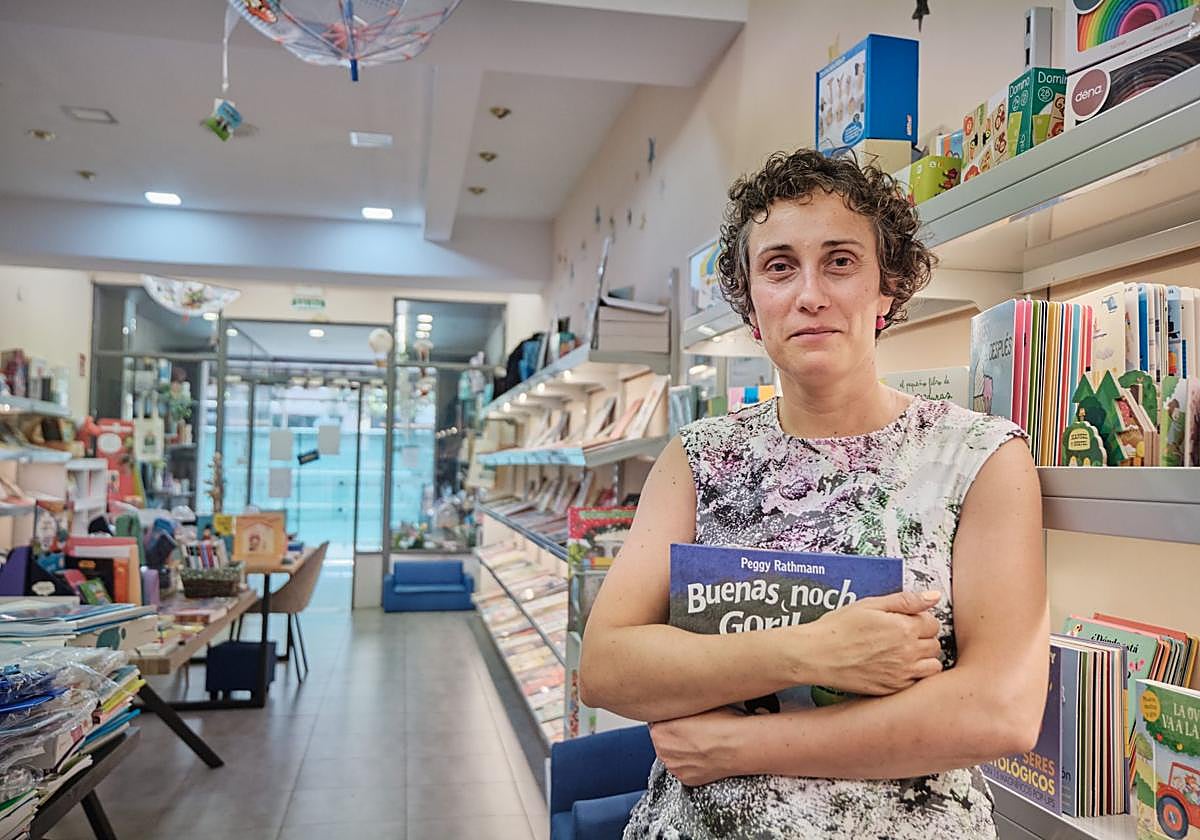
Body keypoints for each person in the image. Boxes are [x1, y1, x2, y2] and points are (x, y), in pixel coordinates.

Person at [579, 149, 1049, 839]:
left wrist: (736, 746)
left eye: (840, 261)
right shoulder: (699, 457)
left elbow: (999, 710)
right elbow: (606, 667)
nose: (810, 294)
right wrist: (812, 652)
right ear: (749, 301)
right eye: (778, 266)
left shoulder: (979, 457)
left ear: (886, 287)